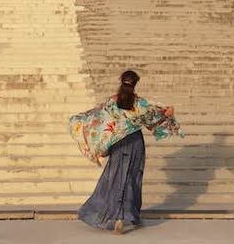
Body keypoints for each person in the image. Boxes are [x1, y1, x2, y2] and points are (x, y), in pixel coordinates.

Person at [69, 70, 183, 234]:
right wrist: (167, 113)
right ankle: (125, 216)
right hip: (135, 143)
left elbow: (98, 120)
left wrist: (98, 144)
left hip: (119, 144)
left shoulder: (111, 102)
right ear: (135, 83)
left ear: (121, 82)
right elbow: (154, 119)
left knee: (115, 177)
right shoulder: (141, 104)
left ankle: (113, 216)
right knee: (132, 177)